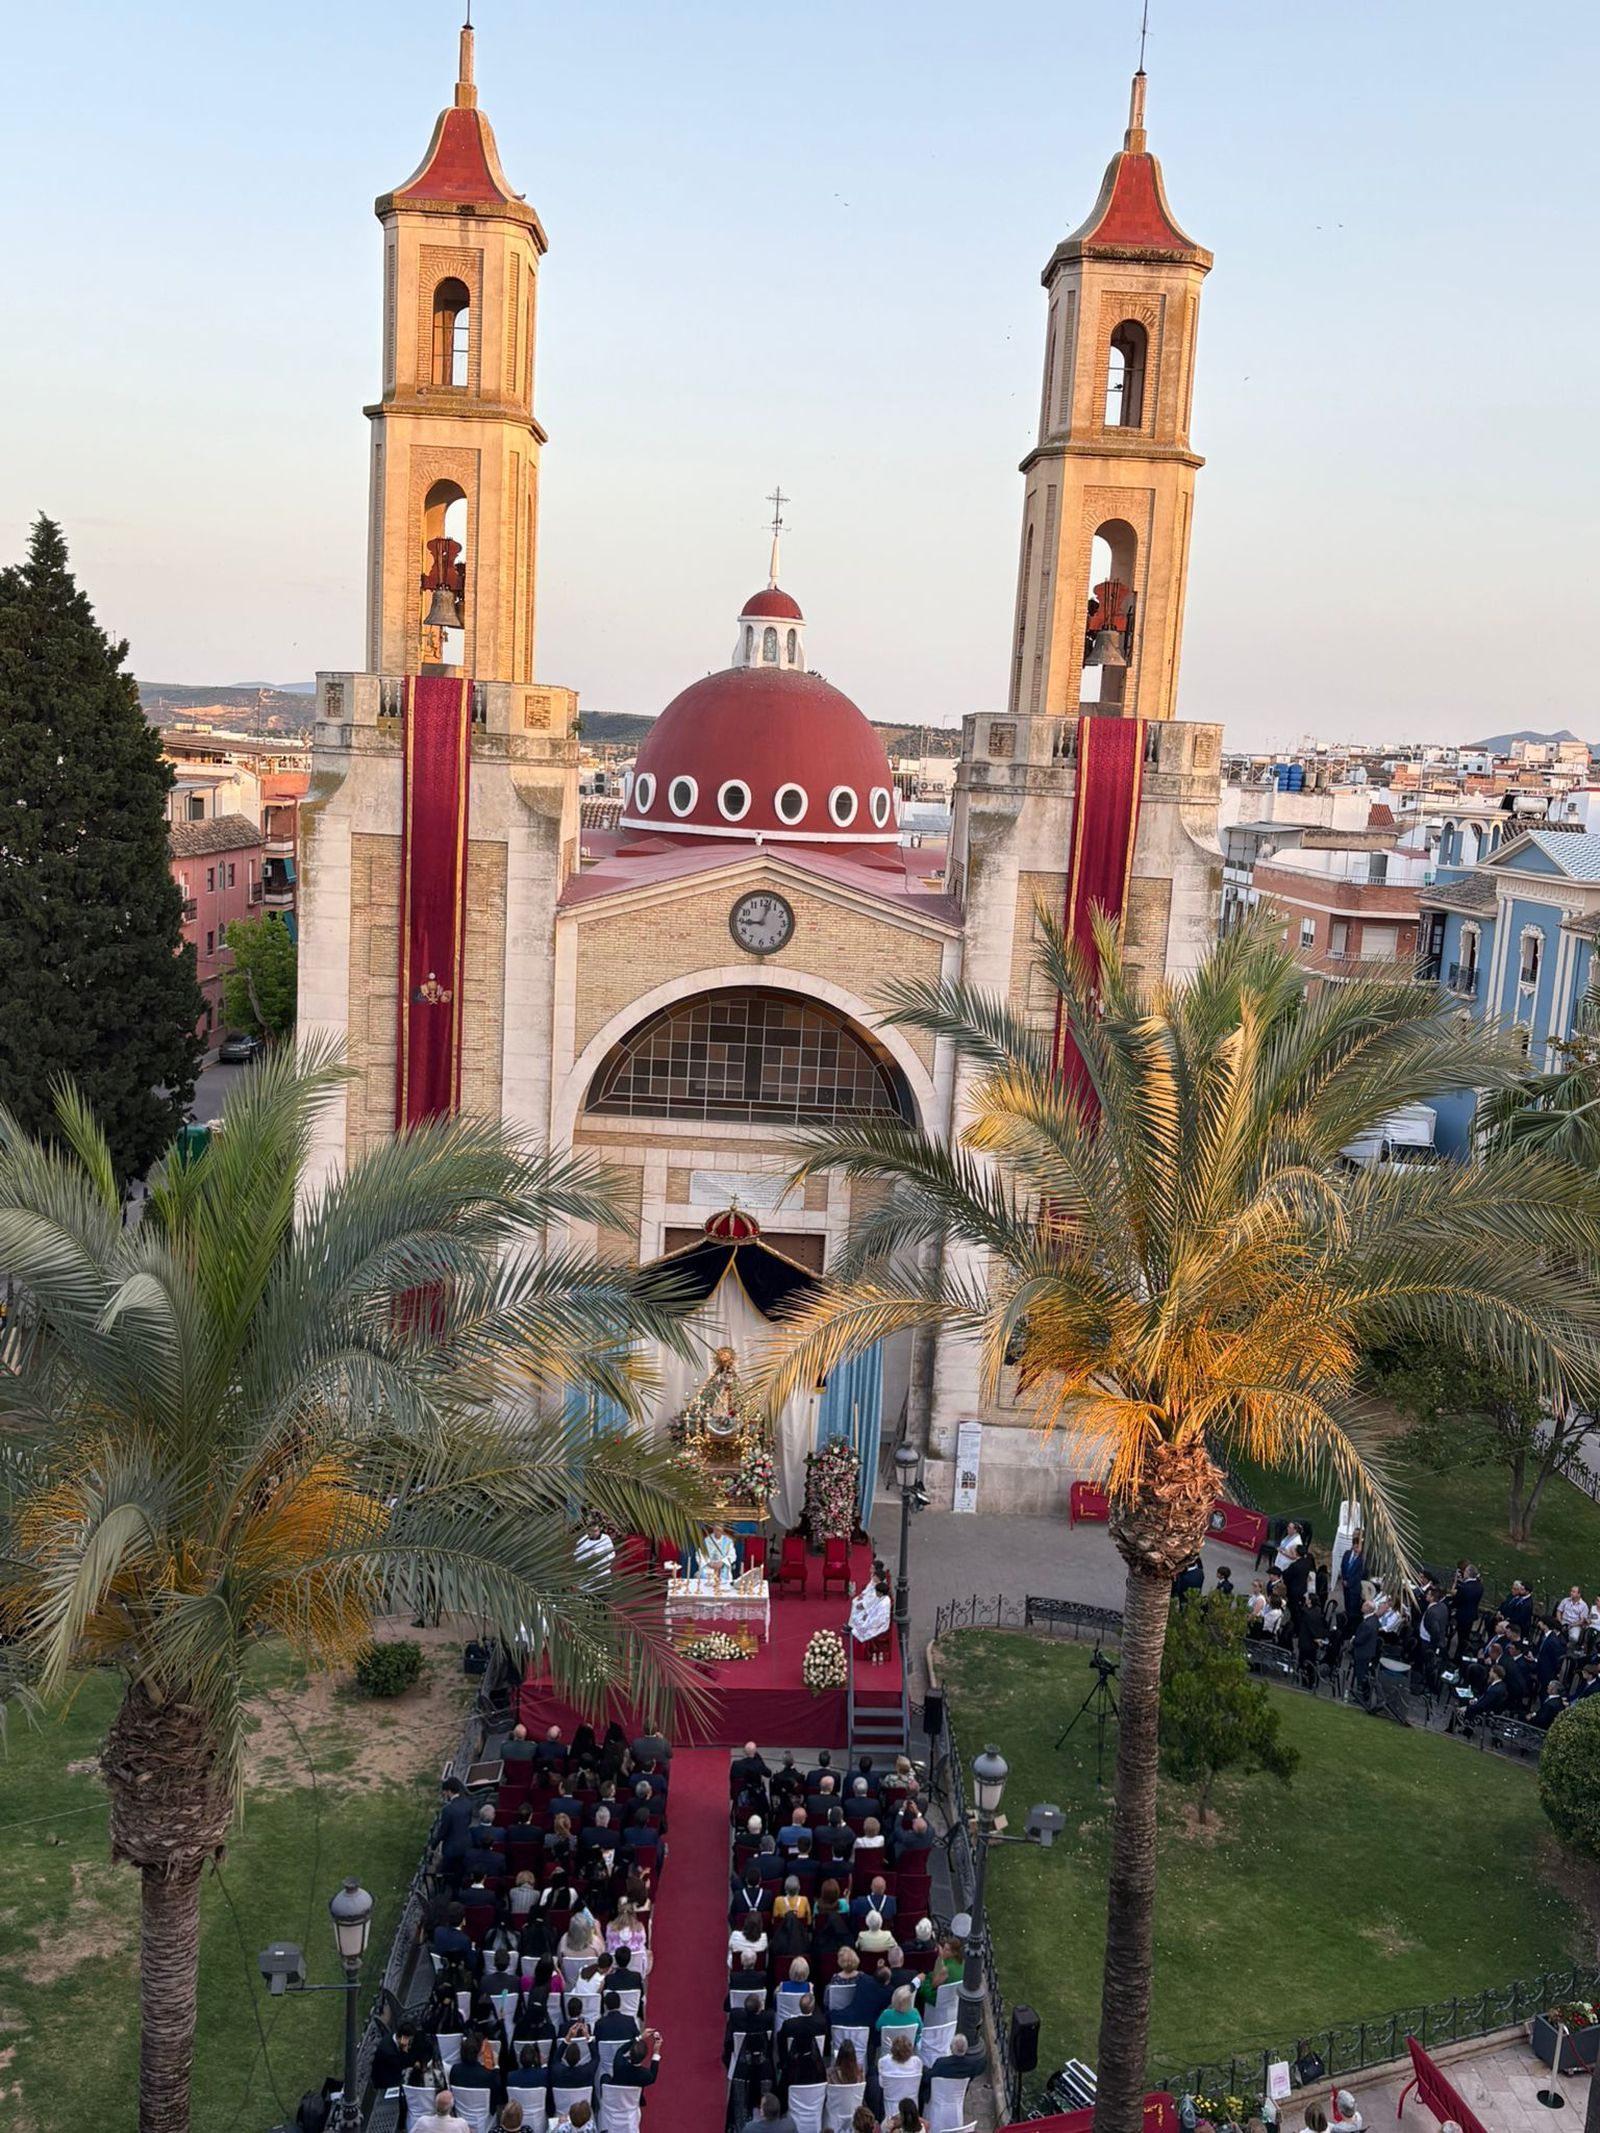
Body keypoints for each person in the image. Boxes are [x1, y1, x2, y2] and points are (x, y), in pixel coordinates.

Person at [848, 1577, 893, 1649]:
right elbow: (873, 1607)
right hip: (873, 1618)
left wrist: (868, 1621)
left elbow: (880, 1619)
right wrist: (867, 1614)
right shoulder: (881, 1598)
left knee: (861, 1626)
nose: (875, 1593)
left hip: (878, 1625)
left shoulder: (884, 1603)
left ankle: (860, 1648)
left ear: (881, 1593)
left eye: (876, 1592)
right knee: (858, 1617)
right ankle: (854, 1636)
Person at [1339, 1532, 1366, 1625]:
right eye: (1356, 1547)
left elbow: (1359, 1575)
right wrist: (1344, 1579)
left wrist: (1349, 1583)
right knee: (1347, 1604)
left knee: (1353, 1608)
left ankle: (1351, 1625)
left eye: (1359, 1547)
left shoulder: (1362, 1560)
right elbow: (1343, 1566)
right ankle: (1346, 1620)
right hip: (1345, 1584)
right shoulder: (1347, 1554)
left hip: (1354, 1588)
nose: (1357, 1549)